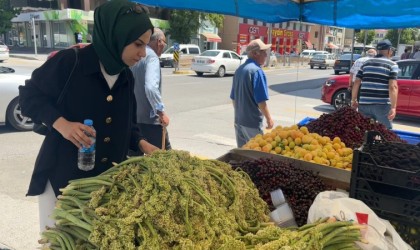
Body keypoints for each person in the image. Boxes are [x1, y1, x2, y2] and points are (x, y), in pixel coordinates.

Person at [19, 0, 159, 231]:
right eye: (137, 44)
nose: (143, 53)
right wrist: (62, 124)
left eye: (145, 46)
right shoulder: (69, 62)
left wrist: (143, 144)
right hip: (63, 185)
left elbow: (129, 125)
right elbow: (29, 97)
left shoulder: (126, 77)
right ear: (117, 35)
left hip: (107, 185)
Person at [130, 28, 171, 152]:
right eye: (164, 42)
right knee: (164, 159)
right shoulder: (151, 57)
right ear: (159, 42)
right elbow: (151, 87)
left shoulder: (135, 55)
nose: (164, 46)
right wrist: (160, 111)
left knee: (135, 163)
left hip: (133, 119)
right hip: (150, 122)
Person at [230, 39, 274, 148]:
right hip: (252, 123)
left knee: (243, 155)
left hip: (239, 120)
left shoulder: (239, 70)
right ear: (255, 54)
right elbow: (261, 102)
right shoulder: (257, 71)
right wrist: (269, 119)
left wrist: (240, 114)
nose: (266, 55)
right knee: (256, 155)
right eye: (264, 52)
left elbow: (234, 99)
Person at [351, 39, 399, 129]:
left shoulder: (366, 63)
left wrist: (354, 100)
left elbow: (357, 82)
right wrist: (393, 107)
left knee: (364, 131)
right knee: (386, 133)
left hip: (364, 104)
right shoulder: (392, 65)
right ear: (389, 51)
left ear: (378, 51)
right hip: (382, 105)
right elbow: (393, 87)